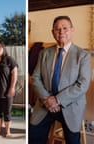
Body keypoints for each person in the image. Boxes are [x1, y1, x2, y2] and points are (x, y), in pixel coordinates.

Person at [29, 16, 91, 144]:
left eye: (64, 28)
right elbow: (35, 78)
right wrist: (47, 99)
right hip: (45, 104)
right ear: (53, 33)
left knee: (73, 141)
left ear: (72, 30)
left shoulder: (83, 55)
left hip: (70, 105)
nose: (61, 31)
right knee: (33, 135)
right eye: (57, 29)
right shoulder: (44, 53)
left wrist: (57, 100)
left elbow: (83, 84)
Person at [0, 41, 18, 137]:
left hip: (7, 91)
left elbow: (14, 75)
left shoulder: (9, 60)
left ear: (3, 48)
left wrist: (12, 88)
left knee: (7, 112)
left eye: (0, 47)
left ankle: (8, 131)